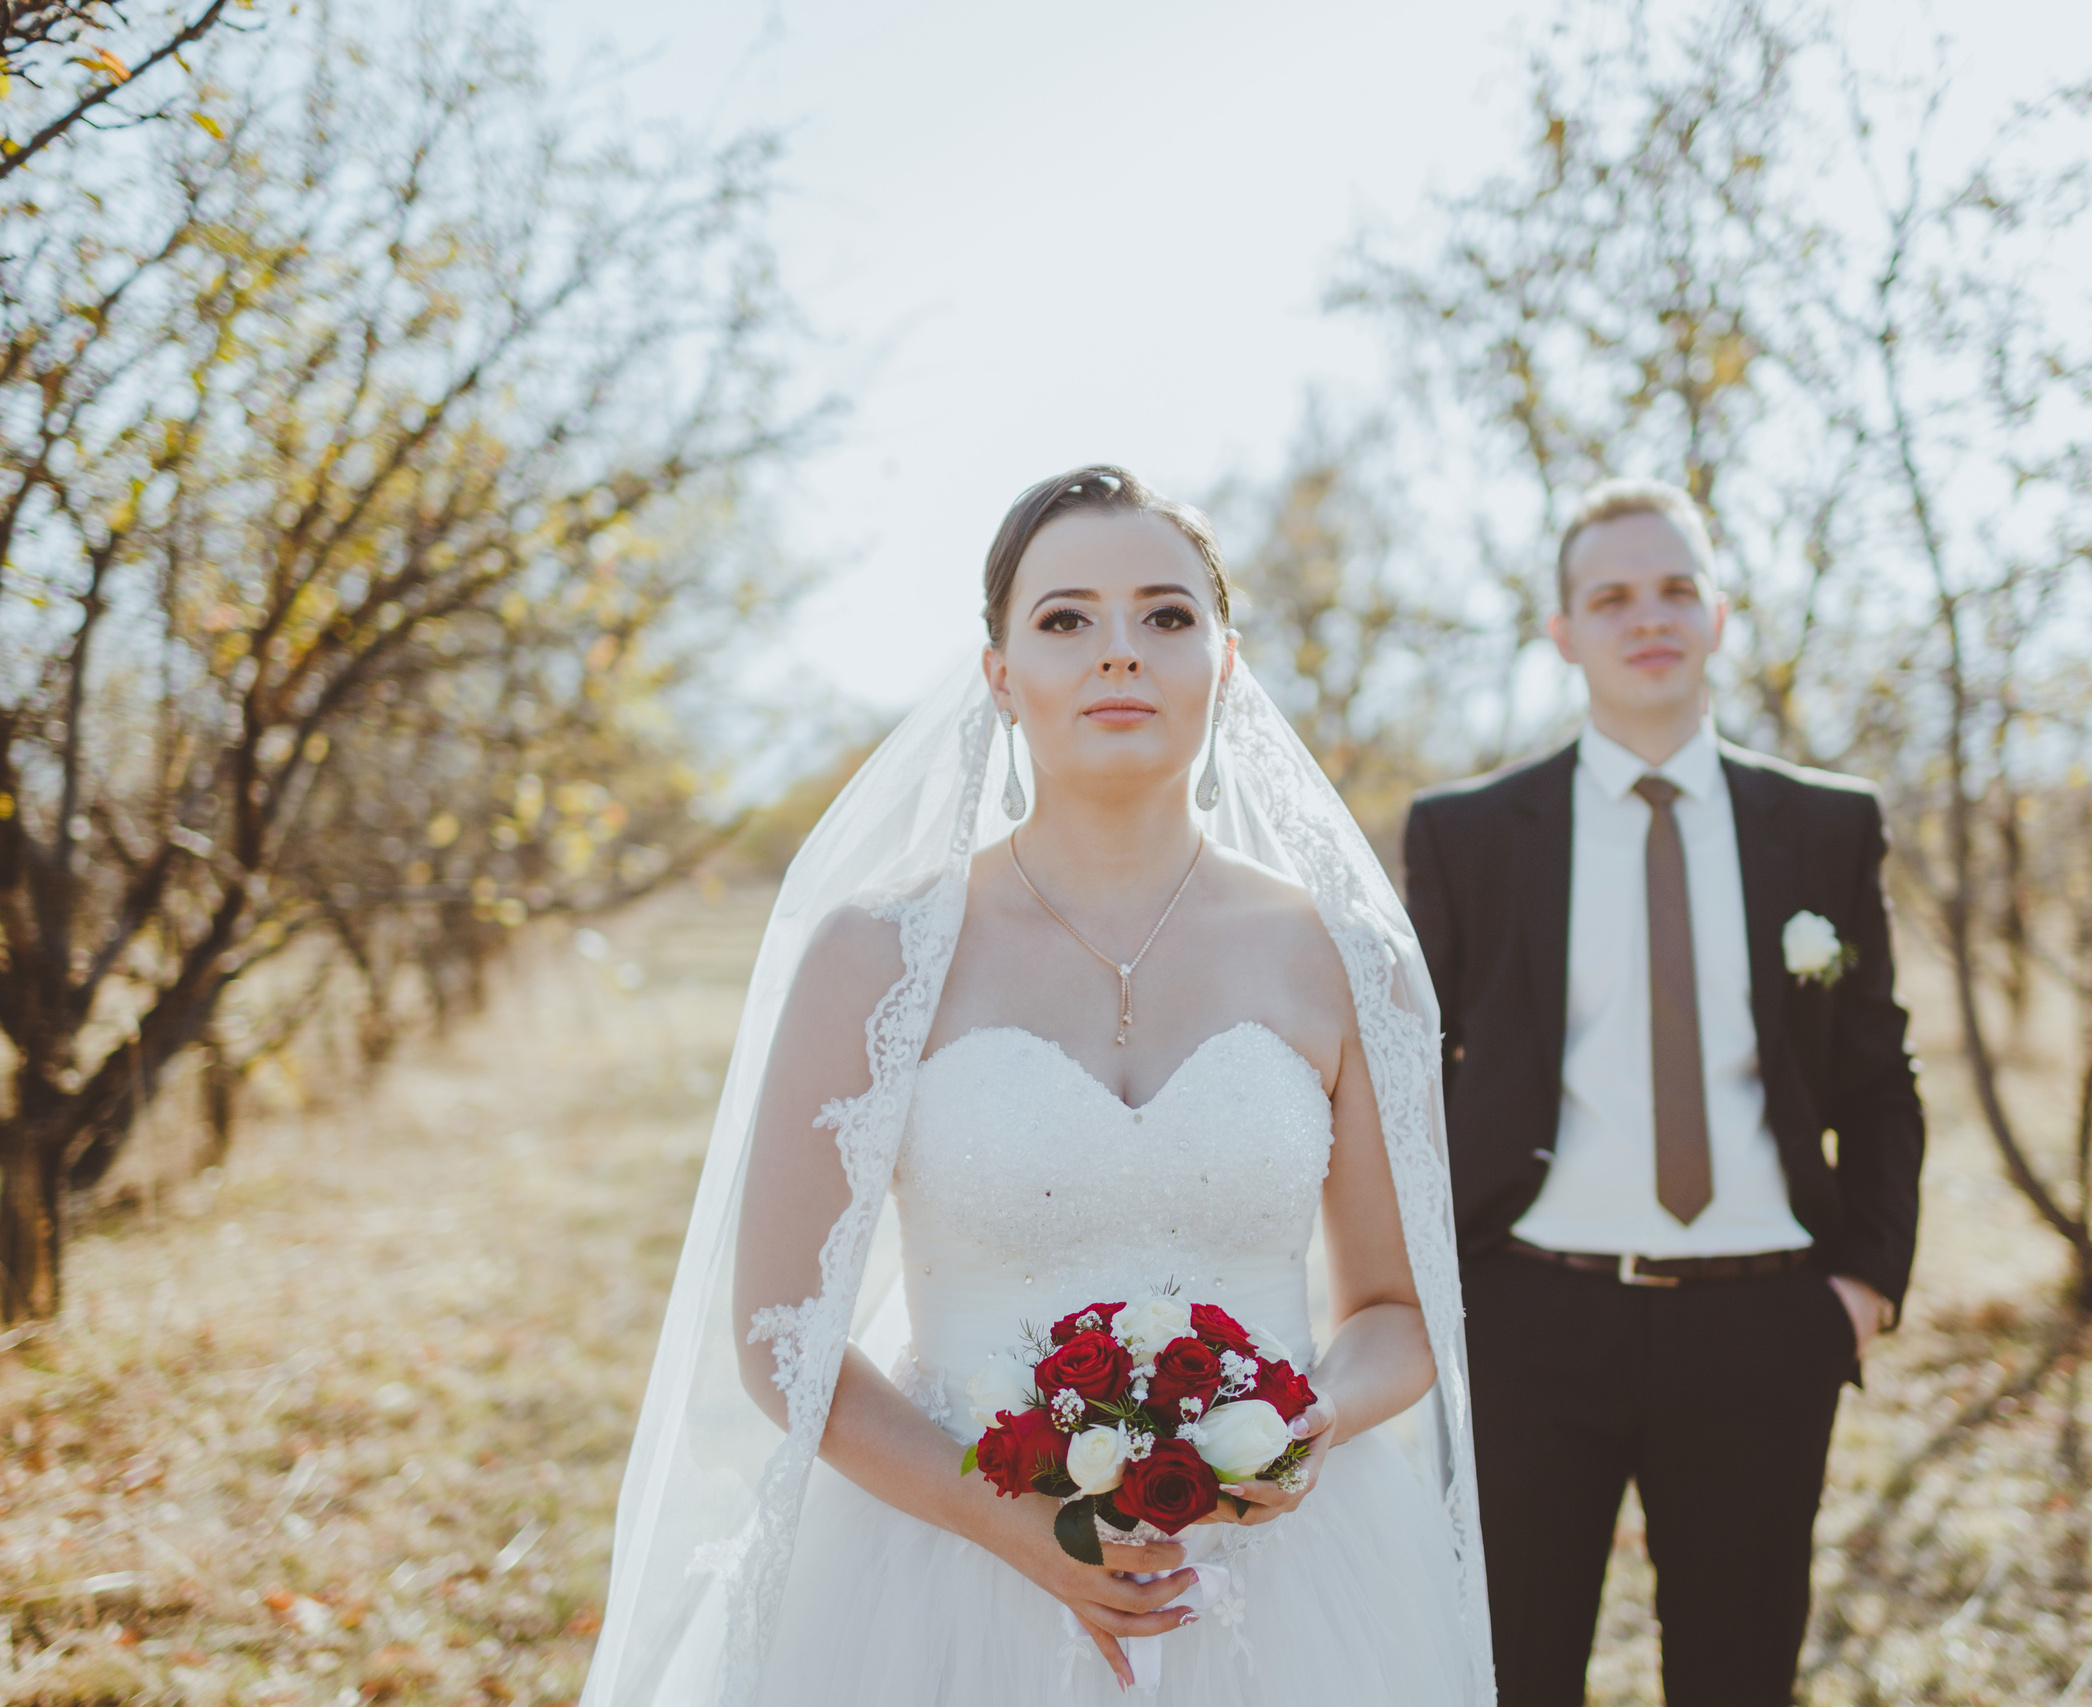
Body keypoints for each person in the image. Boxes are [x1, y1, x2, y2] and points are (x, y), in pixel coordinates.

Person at [577, 467, 1491, 1707]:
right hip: (946, 1569)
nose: (1119, 654)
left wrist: (1298, 1424)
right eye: (1066, 620)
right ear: (1000, 675)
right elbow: (781, 1339)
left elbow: (1396, 1307)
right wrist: (1008, 1525)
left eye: (1165, 617)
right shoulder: (875, 954)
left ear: (1224, 663)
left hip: (1286, 1581)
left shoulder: (1346, 960)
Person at [1403, 478, 1924, 1706]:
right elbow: (1411, 1084)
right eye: (1612, 595)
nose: (1649, 616)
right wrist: (1442, 1296)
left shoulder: (1823, 825)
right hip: (1532, 1318)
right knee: (1514, 1675)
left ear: (1720, 616)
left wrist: (1865, 1292)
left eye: (1677, 588)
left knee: (1737, 1679)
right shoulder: (1468, 835)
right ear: (1563, 633)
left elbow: (1878, 1076)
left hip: (1765, 1322)